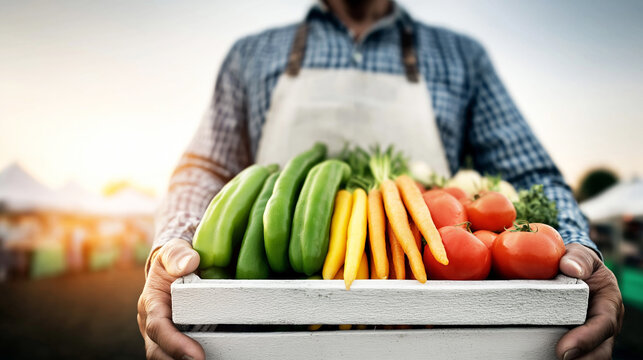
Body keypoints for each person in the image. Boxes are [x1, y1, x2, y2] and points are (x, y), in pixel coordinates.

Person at [137, 1, 624, 359]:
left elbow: (530, 172)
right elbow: (203, 170)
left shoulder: (461, 55)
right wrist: (172, 248)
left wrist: (579, 250)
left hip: (428, 326)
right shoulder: (252, 54)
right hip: (268, 325)